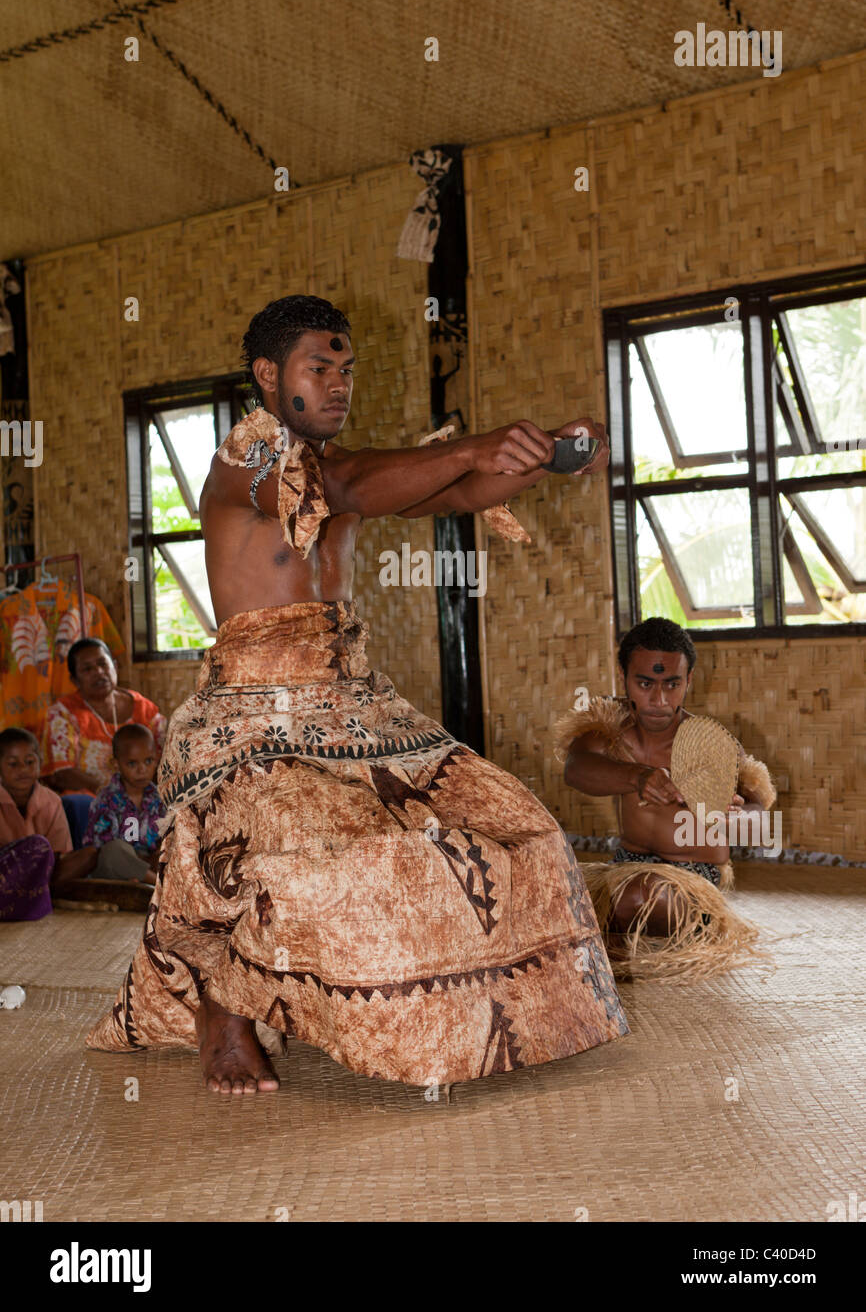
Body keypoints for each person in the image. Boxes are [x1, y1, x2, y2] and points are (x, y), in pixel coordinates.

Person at [87, 293, 628, 1095]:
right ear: (268, 376)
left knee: (522, 831)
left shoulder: (339, 468)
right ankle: (223, 1013)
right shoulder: (246, 459)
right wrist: (476, 443)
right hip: (253, 714)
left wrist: (543, 453)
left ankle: (469, 1017)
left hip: (355, 705)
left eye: (346, 370)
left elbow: (446, 494)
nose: (338, 385)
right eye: (319, 368)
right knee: (315, 855)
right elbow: (347, 483)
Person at [553, 617, 776, 979]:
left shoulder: (709, 743)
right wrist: (637, 776)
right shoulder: (611, 730)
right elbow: (576, 768)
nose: (659, 700)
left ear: (688, 681)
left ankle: (614, 932)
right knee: (549, 890)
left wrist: (739, 819)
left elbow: (760, 815)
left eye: (672, 684)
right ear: (624, 677)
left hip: (693, 879)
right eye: (645, 684)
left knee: (642, 896)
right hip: (626, 865)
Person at [41, 638, 166, 849]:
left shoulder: (145, 710)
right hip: (92, 796)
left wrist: (140, 791)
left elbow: (165, 760)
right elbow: (62, 772)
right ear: (75, 680)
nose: (98, 672)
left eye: (102, 663)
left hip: (144, 793)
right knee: (77, 806)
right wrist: (114, 794)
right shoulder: (63, 713)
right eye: (87, 669)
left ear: (114, 666)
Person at [0, 726, 92, 920]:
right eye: (13, 764)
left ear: (40, 764)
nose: (23, 769)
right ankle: (28, 902)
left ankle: (24, 901)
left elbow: (58, 856)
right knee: (37, 846)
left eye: (29, 762)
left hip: (40, 877)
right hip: (4, 875)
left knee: (90, 853)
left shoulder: (51, 801)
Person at [82, 725, 163, 886]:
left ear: (157, 758)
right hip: (114, 870)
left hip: (150, 865)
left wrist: (159, 852)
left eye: (148, 761)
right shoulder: (106, 800)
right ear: (116, 764)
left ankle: (145, 882)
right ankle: (161, 886)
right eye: (132, 764)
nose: (142, 770)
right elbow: (102, 849)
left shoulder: (159, 798)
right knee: (114, 850)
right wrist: (141, 861)